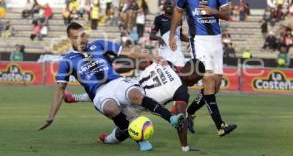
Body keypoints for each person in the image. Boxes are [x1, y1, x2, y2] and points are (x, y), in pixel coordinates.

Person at [38, 22, 185, 152]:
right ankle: (141, 141)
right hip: (99, 93)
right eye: (76, 37)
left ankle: (172, 119)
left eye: (83, 35)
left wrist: (152, 57)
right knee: (111, 108)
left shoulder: (99, 44)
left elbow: (129, 51)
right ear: (69, 39)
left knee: (136, 95)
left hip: (116, 82)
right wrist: (51, 116)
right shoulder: (67, 60)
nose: (81, 40)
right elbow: (60, 89)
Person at [64, 59, 205, 152]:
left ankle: (75, 97)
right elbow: (181, 119)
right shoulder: (182, 91)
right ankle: (107, 139)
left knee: (108, 92)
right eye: (198, 79)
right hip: (137, 104)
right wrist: (185, 146)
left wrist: (116, 71)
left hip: (130, 84)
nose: (197, 83)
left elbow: (140, 64)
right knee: (128, 130)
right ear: (193, 75)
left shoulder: (165, 63)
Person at [169, 0, 237, 137]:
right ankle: (220, 126)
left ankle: (188, 113)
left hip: (216, 40)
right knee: (208, 80)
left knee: (215, 86)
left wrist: (213, 11)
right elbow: (177, 12)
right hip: (198, 40)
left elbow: (228, 14)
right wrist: (172, 34)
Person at [150, 0, 188, 67]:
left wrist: (190, 40)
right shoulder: (159, 18)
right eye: (166, 4)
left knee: (180, 69)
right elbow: (151, 36)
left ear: (174, 6)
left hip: (177, 49)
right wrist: (159, 38)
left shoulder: (179, 19)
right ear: (163, 7)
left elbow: (180, 35)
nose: (168, 5)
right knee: (166, 70)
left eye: (170, 4)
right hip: (165, 49)